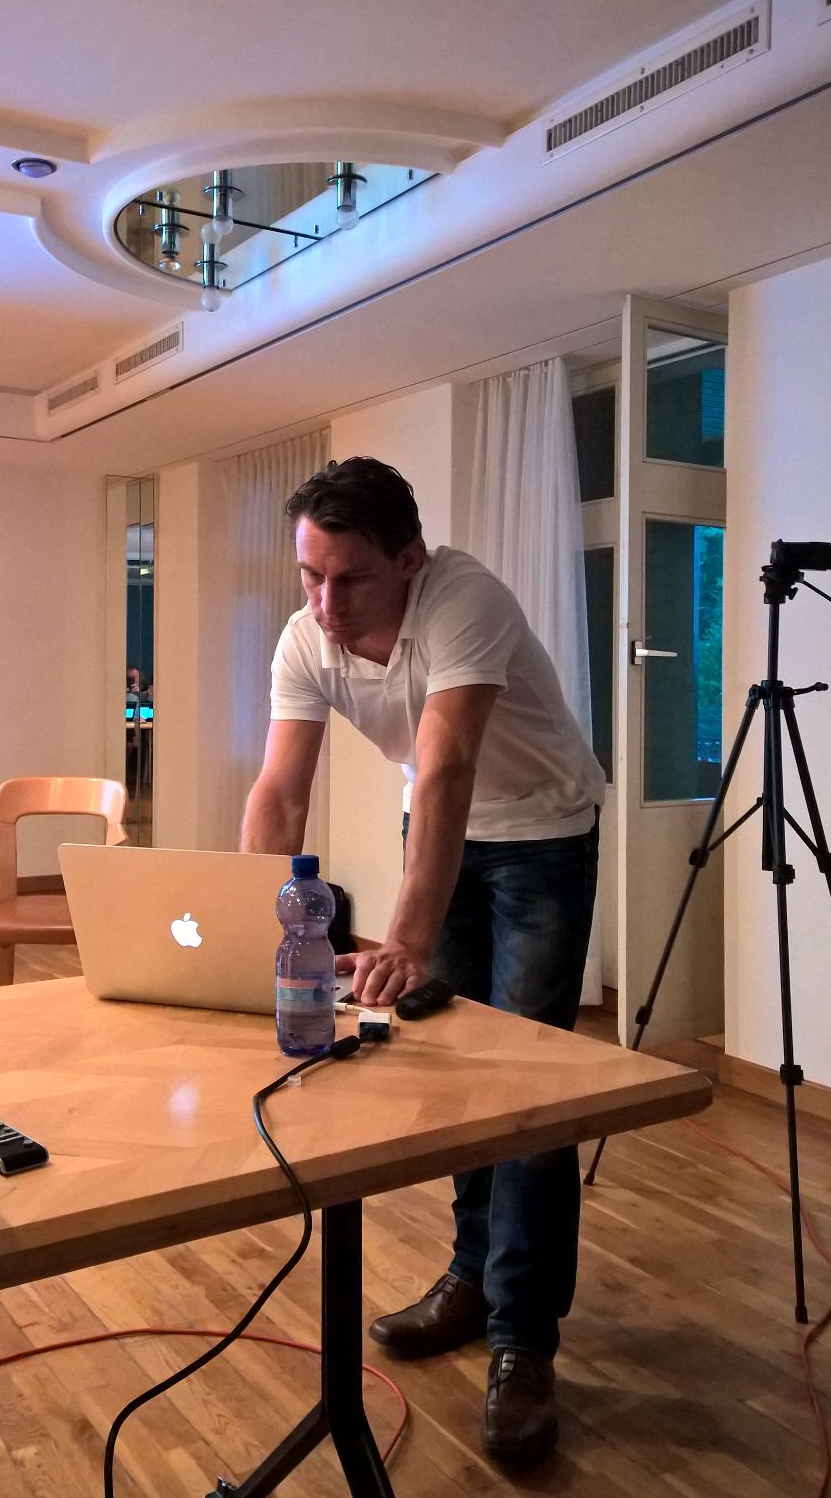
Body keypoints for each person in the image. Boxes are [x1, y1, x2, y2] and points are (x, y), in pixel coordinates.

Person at [240, 456, 604, 1465]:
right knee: (451, 1082)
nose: (324, 604)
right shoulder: (306, 636)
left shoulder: (464, 600)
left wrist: (403, 938)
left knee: (526, 1092)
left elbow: (446, 765)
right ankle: (471, 1278)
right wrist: (245, 929)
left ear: (409, 558)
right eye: (310, 575)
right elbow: (280, 791)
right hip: (442, 835)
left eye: (349, 578)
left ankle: (523, 1340)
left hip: (540, 838)